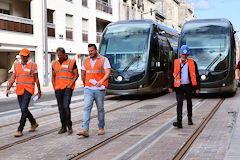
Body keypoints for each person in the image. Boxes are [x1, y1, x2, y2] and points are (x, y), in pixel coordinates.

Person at [76, 44, 111, 137]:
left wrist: (102, 81)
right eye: (89, 51)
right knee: (87, 107)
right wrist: (85, 84)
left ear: (96, 50)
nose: (90, 53)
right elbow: (83, 73)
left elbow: (108, 72)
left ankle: (101, 127)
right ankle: (85, 129)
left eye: (92, 51)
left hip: (100, 89)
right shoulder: (86, 60)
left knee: (100, 108)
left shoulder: (104, 60)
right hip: (88, 88)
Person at [6, 48, 41, 137]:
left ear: (28, 56)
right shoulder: (17, 65)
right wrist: (8, 88)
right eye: (21, 56)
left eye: (24, 56)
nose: (22, 58)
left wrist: (39, 91)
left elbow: (36, 79)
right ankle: (33, 123)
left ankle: (20, 129)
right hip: (19, 89)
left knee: (23, 108)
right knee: (23, 109)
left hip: (28, 90)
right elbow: (13, 78)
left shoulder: (33, 66)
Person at [168, 45, 200, 128]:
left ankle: (189, 118)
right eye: (183, 54)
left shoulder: (192, 63)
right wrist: (170, 86)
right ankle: (179, 121)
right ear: (180, 54)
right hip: (179, 86)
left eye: (186, 55)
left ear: (188, 55)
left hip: (189, 86)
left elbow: (196, 75)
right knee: (179, 103)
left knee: (189, 102)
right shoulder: (175, 63)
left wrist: (197, 87)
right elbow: (172, 75)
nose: (184, 56)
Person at [52, 47, 79, 135]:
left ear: (64, 54)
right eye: (58, 55)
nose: (59, 57)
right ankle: (63, 127)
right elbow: (53, 76)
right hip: (58, 88)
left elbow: (76, 74)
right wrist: (54, 86)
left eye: (60, 55)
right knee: (60, 108)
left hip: (67, 88)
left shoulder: (72, 62)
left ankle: (69, 126)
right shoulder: (54, 63)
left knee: (65, 106)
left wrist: (70, 85)